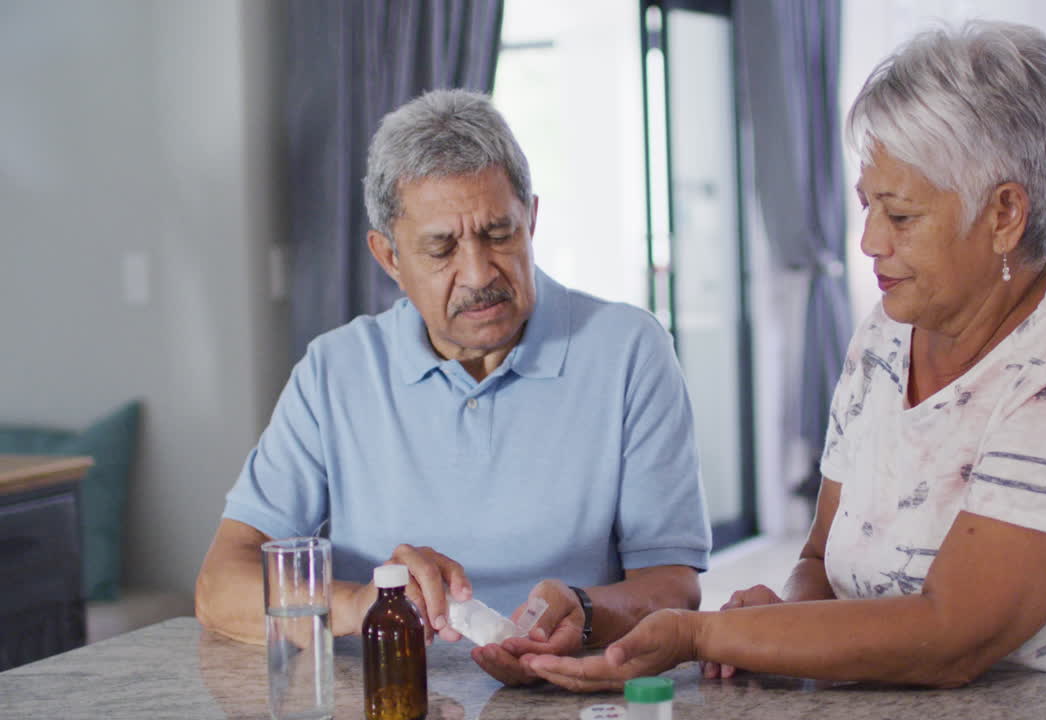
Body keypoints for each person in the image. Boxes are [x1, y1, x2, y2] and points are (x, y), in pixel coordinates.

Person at [526, 21, 1046, 690]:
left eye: (901, 216)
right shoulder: (888, 334)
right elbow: (823, 558)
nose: (868, 242)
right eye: (866, 207)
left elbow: (952, 637)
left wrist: (701, 633)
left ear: (1004, 214)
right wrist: (786, 619)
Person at [194, 89, 711, 686]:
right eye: (441, 248)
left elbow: (674, 583)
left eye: (499, 234)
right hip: (389, 694)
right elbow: (221, 584)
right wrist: (363, 604)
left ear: (532, 218)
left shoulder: (628, 349)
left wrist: (588, 613)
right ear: (387, 256)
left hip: (569, 691)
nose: (479, 273)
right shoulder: (334, 370)